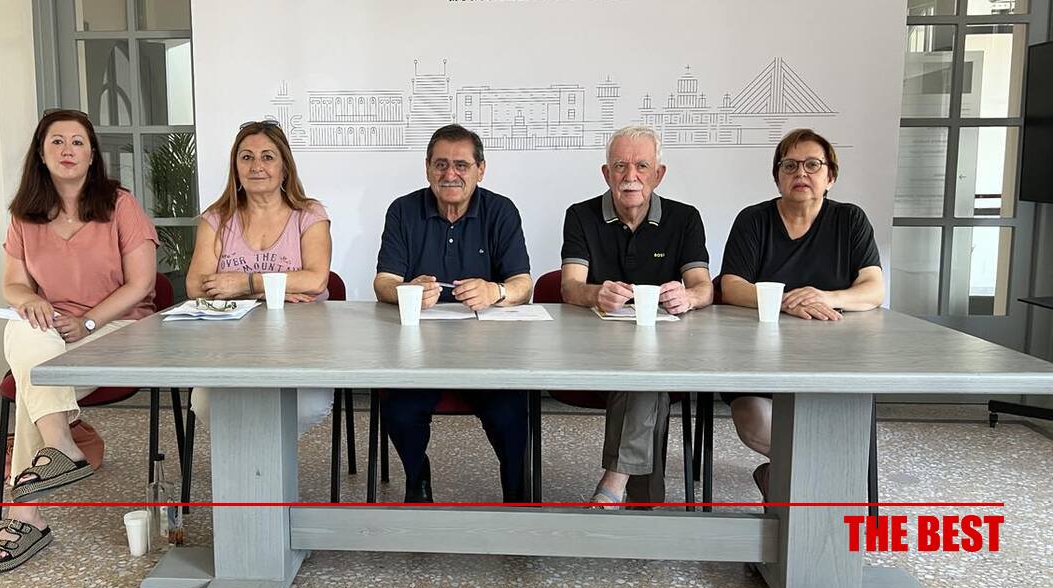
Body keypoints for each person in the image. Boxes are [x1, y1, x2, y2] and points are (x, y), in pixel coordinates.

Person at [0, 109, 159, 575]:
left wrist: (89, 322)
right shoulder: (24, 215)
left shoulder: (120, 205)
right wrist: (31, 300)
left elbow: (141, 283)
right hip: (53, 333)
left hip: (119, 327)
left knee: (32, 385)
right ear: (41, 153)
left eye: (78, 142)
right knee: (23, 328)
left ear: (92, 155)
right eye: (57, 141)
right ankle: (60, 444)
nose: (68, 150)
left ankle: (25, 520)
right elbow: (13, 284)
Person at [719, 128, 884, 497]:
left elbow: (873, 288)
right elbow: (731, 286)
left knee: (840, 425)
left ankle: (781, 481)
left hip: (834, 365)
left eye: (812, 165)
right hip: (759, 364)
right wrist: (785, 300)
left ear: (830, 176)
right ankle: (804, 485)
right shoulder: (753, 220)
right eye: (789, 165)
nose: (801, 173)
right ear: (777, 176)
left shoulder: (850, 220)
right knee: (753, 418)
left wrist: (826, 297)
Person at [373, 124, 534, 503]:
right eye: (441, 164)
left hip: (488, 352)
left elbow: (523, 284)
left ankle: (517, 495)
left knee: (511, 412)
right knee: (399, 411)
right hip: (418, 353)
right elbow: (383, 282)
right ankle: (417, 477)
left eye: (461, 165)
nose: (450, 174)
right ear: (427, 168)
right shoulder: (402, 210)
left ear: (481, 169)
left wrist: (495, 291)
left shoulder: (501, 210)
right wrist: (407, 291)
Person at [560, 124, 713, 507]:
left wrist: (688, 297)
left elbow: (704, 286)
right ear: (606, 173)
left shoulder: (685, 218)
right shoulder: (580, 215)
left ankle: (614, 486)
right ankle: (643, 503)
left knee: (647, 373)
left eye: (642, 166)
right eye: (620, 166)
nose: (631, 176)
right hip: (594, 350)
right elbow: (569, 287)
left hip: (664, 350)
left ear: (658, 174)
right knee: (648, 380)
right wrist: (596, 293)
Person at [185, 120, 334, 434]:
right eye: (246, 157)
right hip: (230, 347)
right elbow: (196, 285)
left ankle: (263, 459)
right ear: (235, 167)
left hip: (300, 344)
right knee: (206, 403)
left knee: (306, 406)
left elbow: (315, 280)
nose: (256, 166)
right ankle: (253, 459)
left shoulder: (309, 214)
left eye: (267, 157)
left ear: (284, 167)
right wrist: (272, 289)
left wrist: (242, 284)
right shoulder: (216, 218)